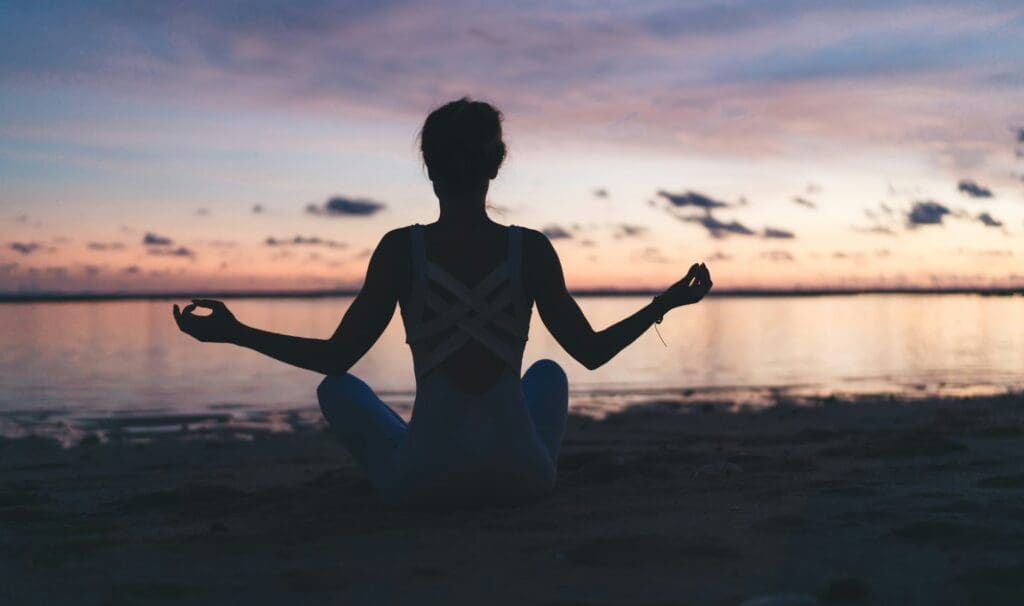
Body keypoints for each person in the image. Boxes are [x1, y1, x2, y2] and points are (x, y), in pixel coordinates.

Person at [173, 97, 712, 508]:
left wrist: (235, 331)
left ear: (429, 167)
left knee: (338, 388)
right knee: (550, 370)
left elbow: (335, 358)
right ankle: (482, 445)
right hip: (524, 479)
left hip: (421, 483)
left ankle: (428, 437)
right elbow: (591, 352)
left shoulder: (399, 250)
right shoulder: (532, 249)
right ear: (495, 166)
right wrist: (664, 303)